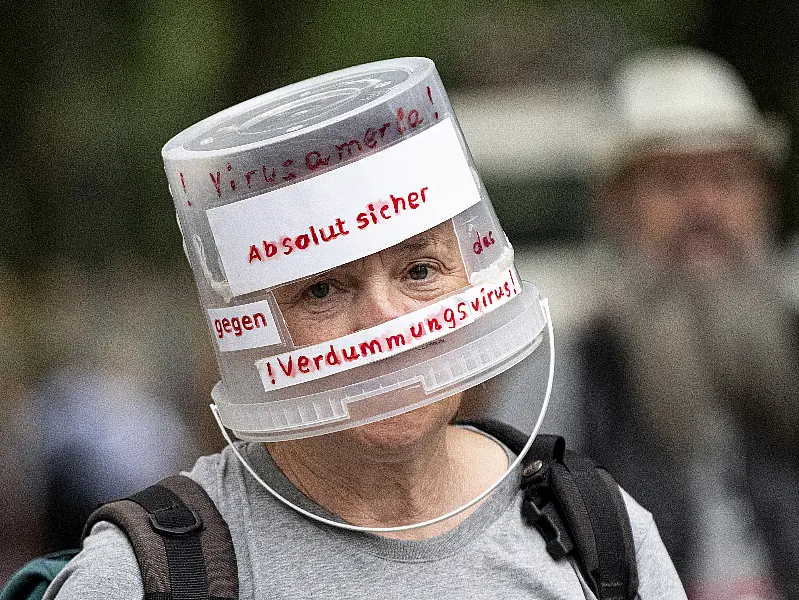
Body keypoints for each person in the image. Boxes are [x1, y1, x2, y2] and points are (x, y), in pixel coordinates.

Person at [43, 58, 685, 599]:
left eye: (420, 270)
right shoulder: (143, 577)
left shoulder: (601, 532)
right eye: (320, 289)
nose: (386, 320)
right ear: (251, 331)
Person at [572, 48, 799, 600]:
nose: (704, 208)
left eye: (726, 180)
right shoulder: (574, 365)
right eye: (672, 183)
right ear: (618, 207)